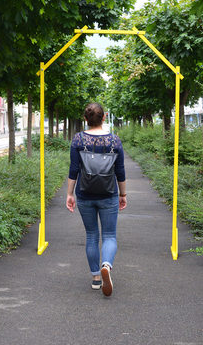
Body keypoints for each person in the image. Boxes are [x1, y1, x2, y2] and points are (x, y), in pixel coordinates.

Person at [66, 102, 127, 297]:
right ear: (104, 117)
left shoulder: (78, 139)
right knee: (109, 236)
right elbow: (120, 171)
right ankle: (106, 265)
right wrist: (123, 194)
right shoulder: (115, 141)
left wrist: (70, 194)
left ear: (85, 119)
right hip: (109, 194)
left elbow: (74, 169)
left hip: (85, 194)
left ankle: (95, 278)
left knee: (92, 236)